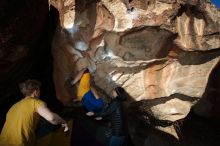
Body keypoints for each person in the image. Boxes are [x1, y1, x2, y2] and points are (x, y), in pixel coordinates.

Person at [0, 79, 69, 146]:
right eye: (39, 90)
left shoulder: (13, 107)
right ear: (35, 91)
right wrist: (63, 121)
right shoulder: (35, 102)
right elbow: (51, 117)